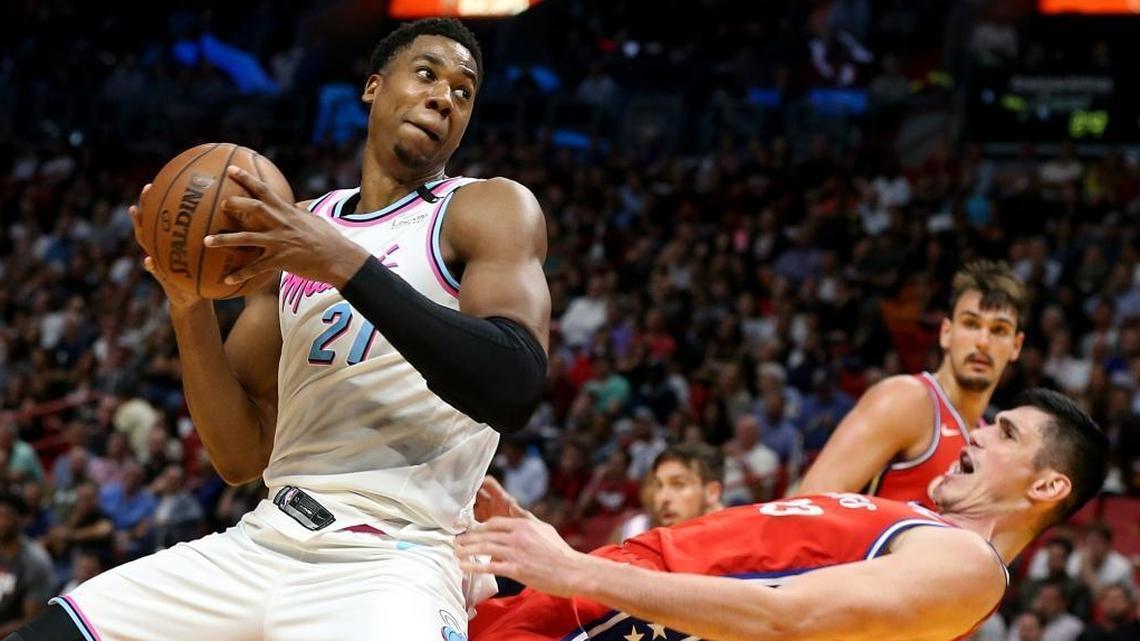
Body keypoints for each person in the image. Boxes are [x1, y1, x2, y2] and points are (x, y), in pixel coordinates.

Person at [10, 18, 550, 641]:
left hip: (392, 559)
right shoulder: (295, 229)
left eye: (464, 92)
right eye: (427, 74)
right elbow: (239, 455)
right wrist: (188, 309)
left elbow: (514, 385)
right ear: (373, 88)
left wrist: (343, 263)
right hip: (264, 540)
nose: (443, 97)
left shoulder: (487, 209)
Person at [456, 389, 1108, 641]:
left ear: (1048, 484)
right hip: (598, 599)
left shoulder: (970, 565)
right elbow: (736, 564)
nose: (980, 432)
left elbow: (785, 616)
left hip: (607, 617)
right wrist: (552, 567)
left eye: (1008, 434)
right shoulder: (917, 528)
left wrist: (573, 572)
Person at [799, 260, 1026, 508]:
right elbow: (811, 502)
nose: (983, 341)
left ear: (1016, 346)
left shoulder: (985, 441)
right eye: (971, 324)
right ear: (946, 332)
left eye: (999, 329)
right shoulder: (908, 400)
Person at [0, 495, 53, 638]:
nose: (1, 522)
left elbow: (34, 619)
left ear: (21, 520)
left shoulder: (36, 560)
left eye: (5, 516)